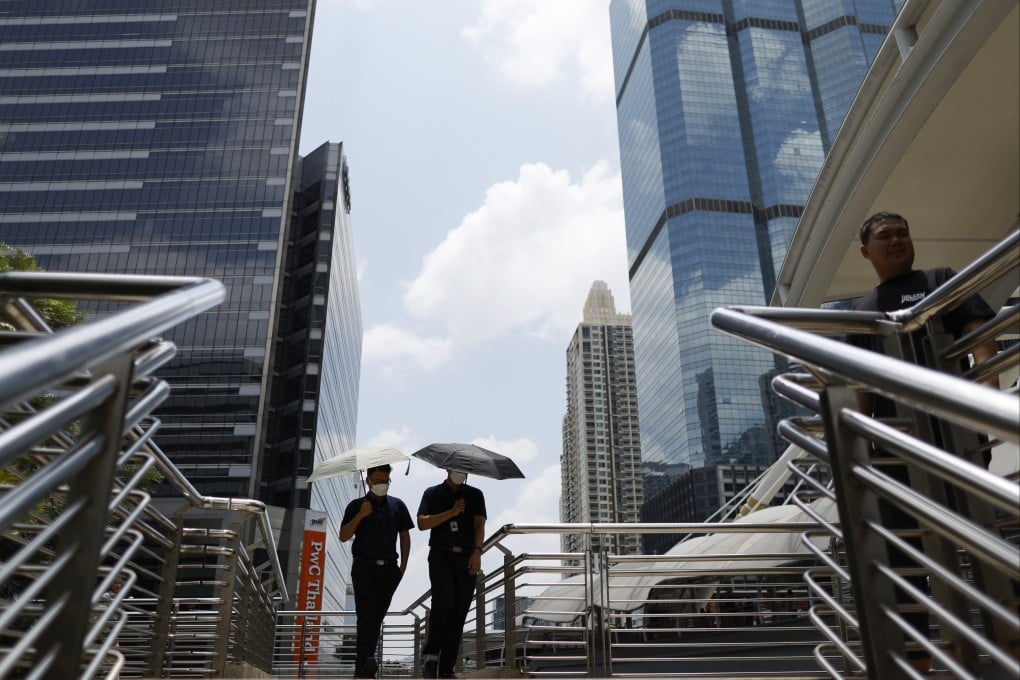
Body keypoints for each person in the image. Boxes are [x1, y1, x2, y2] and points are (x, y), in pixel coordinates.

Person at [847, 211, 998, 673]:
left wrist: (986, 393)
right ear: (865, 251)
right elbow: (861, 388)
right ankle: (917, 658)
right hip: (895, 451)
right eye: (884, 236)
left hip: (954, 438)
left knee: (977, 537)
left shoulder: (939, 281)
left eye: (902, 233)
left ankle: (1001, 641)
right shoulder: (863, 309)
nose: (896, 241)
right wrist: (862, 447)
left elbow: (979, 336)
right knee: (903, 553)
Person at [339, 464, 412, 679]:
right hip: (363, 567)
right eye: (378, 480)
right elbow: (343, 535)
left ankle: (364, 665)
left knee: (376, 616)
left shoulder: (398, 505)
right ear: (368, 480)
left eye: (386, 480)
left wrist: (403, 567)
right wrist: (361, 515)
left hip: (389, 569)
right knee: (366, 614)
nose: (383, 484)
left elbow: (405, 537)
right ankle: (366, 662)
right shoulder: (356, 505)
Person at [416, 469, 486, 679]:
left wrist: (477, 552)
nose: (460, 472)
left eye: (463, 469)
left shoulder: (475, 494)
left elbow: (479, 525)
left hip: (466, 558)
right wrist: (452, 511)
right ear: (447, 469)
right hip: (440, 556)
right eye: (456, 468)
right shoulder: (432, 493)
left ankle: (447, 666)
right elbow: (422, 523)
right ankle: (431, 657)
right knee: (443, 604)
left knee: (459, 612)